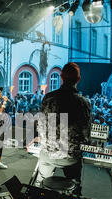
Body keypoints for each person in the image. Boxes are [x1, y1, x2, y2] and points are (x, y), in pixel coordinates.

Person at [35, 62, 92, 191]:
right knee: (74, 186)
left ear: (61, 77)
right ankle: (73, 198)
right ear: (78, 79)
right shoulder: (83, 103)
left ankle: (39, 193)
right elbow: (86, 135)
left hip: (48, 154)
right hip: (70, 158)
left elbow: (41, 126)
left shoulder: (48, 98)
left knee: (40, 184)